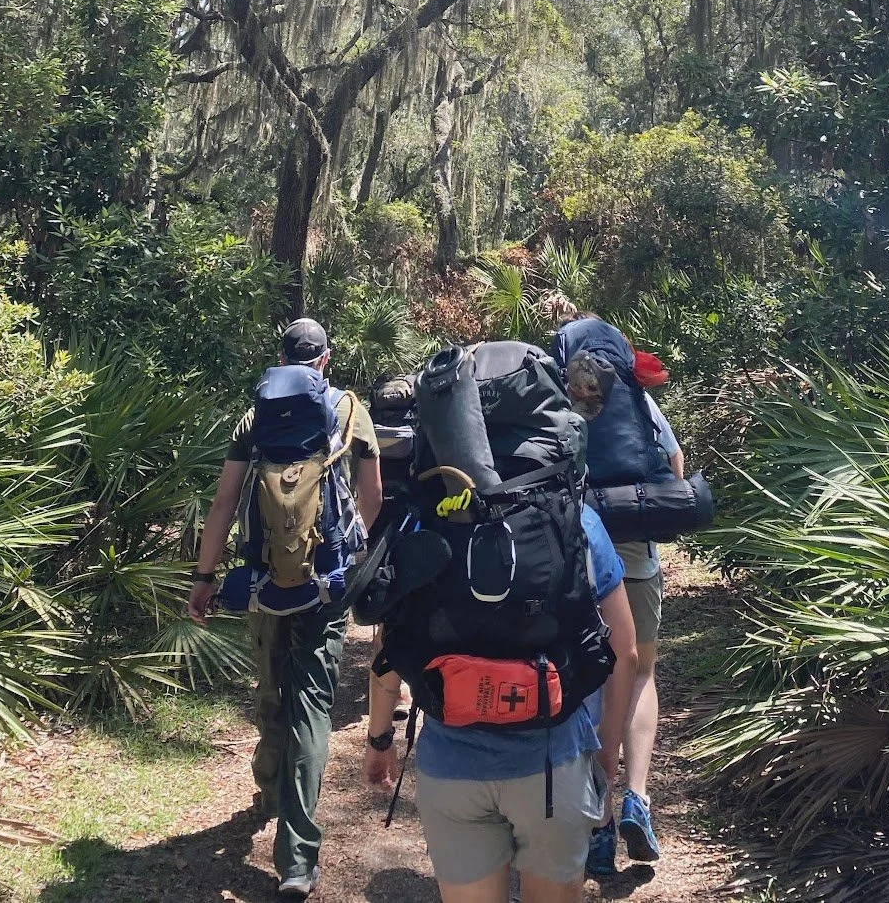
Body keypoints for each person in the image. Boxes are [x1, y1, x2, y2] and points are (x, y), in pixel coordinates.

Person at [188, 318, 383, 899]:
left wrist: (205, 577)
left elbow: (225, 502)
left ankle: (268, 784)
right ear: (325, 359)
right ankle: (297, 857)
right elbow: (371, 498)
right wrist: (355, 562)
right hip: (327, 584)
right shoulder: (350, 409)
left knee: (271, 688)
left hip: (264, 582)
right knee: (313, 704)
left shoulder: (253, 417)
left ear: (281, 358)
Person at [364, 502, 638, 903]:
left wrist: (379, 739)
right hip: (554, 762)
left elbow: (387, 648)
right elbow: (626, 651)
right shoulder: (574, 516)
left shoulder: (422, 518)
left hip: (452, 766)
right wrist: (609, 747)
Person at [587, 405, 685, 877]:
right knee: (642, 670)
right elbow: (675, 465)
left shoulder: (548, 392)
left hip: (577, 560)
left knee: (591, 678)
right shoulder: (636, 400)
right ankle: (638, 799)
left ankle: (598, 822)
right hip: (637, 561)